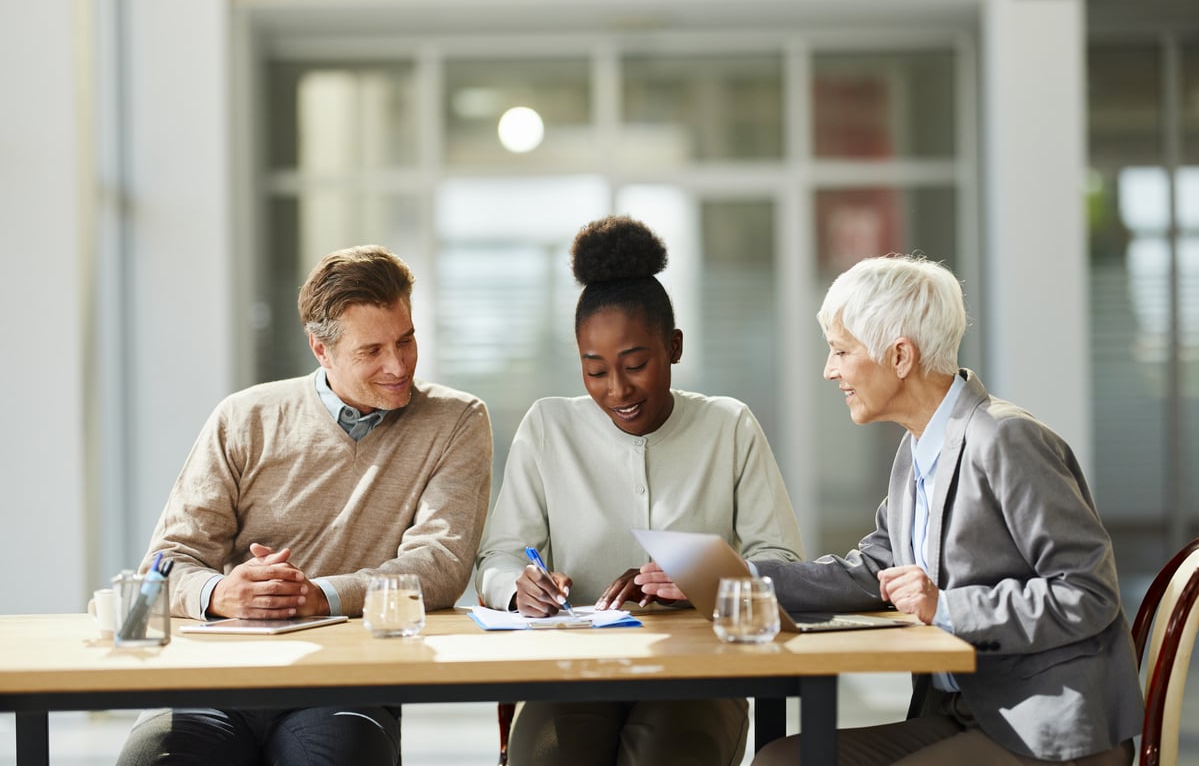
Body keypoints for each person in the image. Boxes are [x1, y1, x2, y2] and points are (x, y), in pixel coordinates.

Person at [638, 253, 1143, 765]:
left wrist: (944, 607)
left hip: (1047, 728)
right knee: (778, 760)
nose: (829, 370)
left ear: (900, 356)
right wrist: (733, 579)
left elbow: (1087, 591)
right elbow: (871, 572)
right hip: (966, 713)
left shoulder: (1005, 440)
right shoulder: (917, 449)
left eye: (840, 351)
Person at [116, 244, 493, 766]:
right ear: (321, 349)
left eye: (406, 340)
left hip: (346, 688)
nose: (398, 364)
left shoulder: (456, 422)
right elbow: (167, 561)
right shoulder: (243, 417)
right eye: (372, 351)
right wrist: (222, 591)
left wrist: (322, 596)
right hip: (213, 681)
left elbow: (442, 564)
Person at [475, 215, 806, 766]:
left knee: (662, 756)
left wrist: (703, 576)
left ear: (673, 347)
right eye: (595, 370)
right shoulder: (547, 427)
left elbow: (782, 561)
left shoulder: (729, 425)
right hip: (572, 670)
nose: (618, 390)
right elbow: (499, 556)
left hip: (703, 669)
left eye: (635, 365)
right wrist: (518, 587)